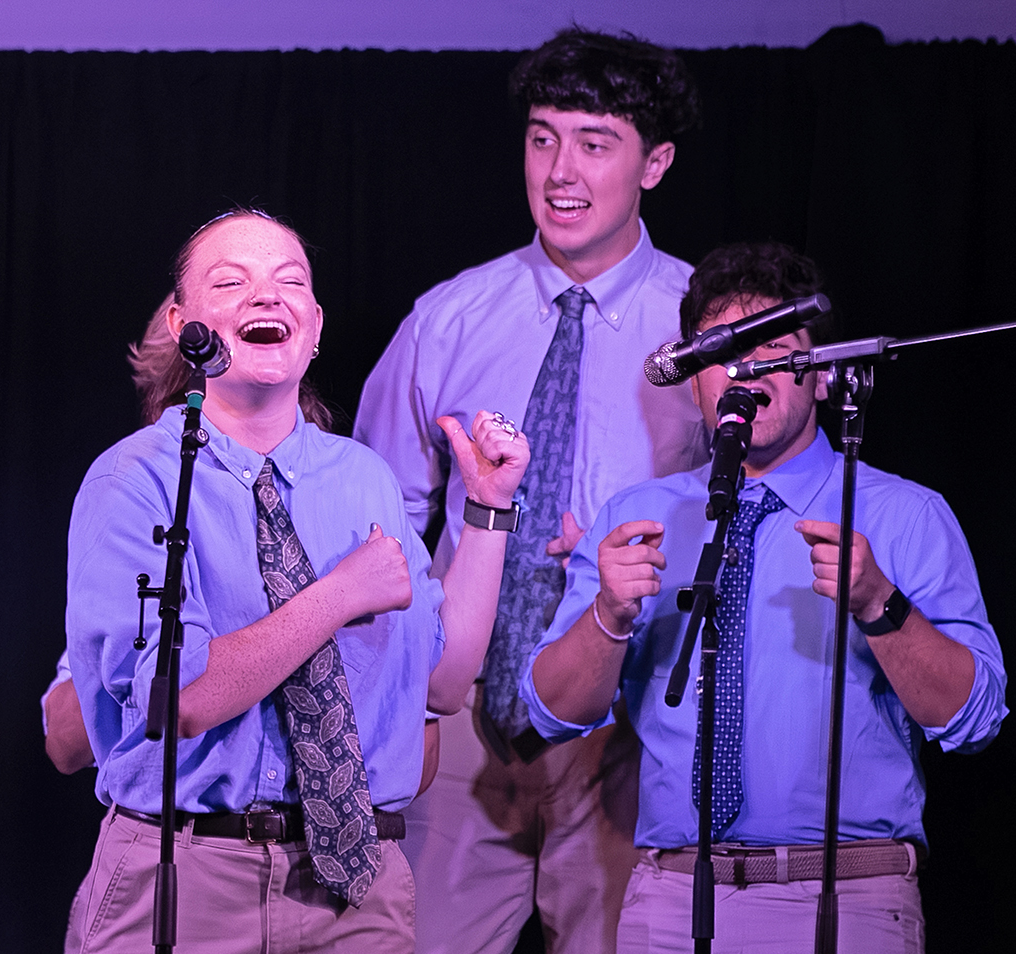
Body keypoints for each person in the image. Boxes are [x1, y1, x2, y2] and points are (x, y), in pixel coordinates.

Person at [64, 210, 528, 952]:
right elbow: (177, 696)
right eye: (231, 282)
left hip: (358, 889)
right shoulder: (139, 478)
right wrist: (340, 593)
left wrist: (488, 513)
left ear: (313, 327)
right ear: (185, 323)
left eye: (289, 283)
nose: (266, 297)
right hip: (190, 872)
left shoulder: (364, 477)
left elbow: (443, 682)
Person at [525, 242, 1006, 952]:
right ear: (693, 379)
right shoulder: (638, 514)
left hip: (848, 897)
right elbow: (552, 711)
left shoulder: (905, 514)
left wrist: (882, 604)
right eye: (725, 351)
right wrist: (607, 617)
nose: (749, 372)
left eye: (775, 350)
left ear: (817, 375)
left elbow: (975, 717)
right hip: (670, 897)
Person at [354, 27, 707, 954]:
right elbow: (375, 521)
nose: (560, 171)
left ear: (655, 163)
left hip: (630, 726)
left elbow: (764, 517)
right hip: (463, 727)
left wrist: (627, 550)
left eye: (595, 143)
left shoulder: (703, 330)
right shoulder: (448, 319)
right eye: (543, 136)